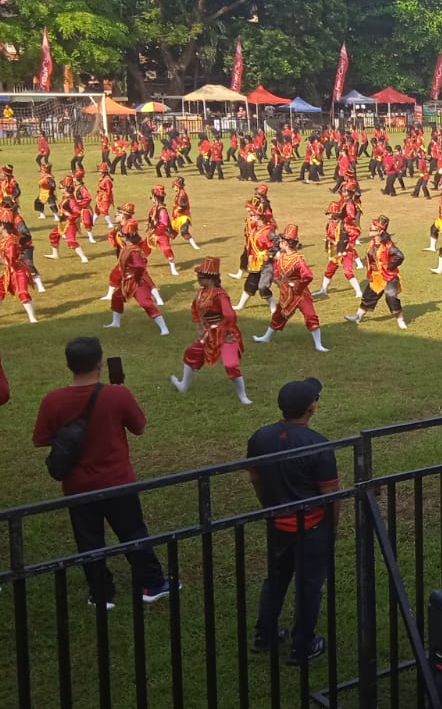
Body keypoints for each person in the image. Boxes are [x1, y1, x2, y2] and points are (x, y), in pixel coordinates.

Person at [32, 337, 173, 608]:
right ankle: (152, 584)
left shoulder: (53, 400)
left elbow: (41, 439)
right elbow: (140, 427)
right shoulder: (117, 394)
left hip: (77, 486)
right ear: (100, 363)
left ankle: (100, 594)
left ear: (68, 365)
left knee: (89, 539)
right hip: (116, 481)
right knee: (133, 532)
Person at [247, 378, 338, 665]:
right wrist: (331, 528)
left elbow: (256, 478)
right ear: (311, 407)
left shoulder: (260, 437)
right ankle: (303, 645)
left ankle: (265, 634)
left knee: (275, 579)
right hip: (311, 527)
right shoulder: (318, 444)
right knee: (309, 585)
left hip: (277, 523)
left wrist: (270, 508)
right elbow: (330, 496)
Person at [172, 257, 251, 404]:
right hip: (209, 333)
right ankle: (183, 385)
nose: (198, 280)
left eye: (201, 277)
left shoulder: (219, 294)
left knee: (230, 364)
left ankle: (243, 396)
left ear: (211, 279)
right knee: (192, 352)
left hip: (226, 334)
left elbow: (230, 315)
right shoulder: (201, 293)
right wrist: (199, 324)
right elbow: (195, 308)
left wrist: (224, 333)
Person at [254, 224, 329, 351]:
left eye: (282, 241)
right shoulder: (281, 256)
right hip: (286, 292)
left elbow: (308, 276)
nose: (280, 243)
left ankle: (318, 344)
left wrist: (297, 285)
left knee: (310, 315)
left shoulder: (298, 259)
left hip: (300, 293)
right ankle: (266, 337)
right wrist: (279, 281)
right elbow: (277, 271)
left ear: (287, 243)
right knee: (279, 314)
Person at [106, 224, 171, 336]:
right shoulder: (127, 249)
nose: (120, 238)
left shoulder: (134, 251)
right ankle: (115, 323)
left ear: (127, 237)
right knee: (117, 297)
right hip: (127, 282)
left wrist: (135, 276)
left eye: (122, 236)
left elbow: (140, 266)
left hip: (138, 283)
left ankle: (164, 328)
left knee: (146, 303)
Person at [347, 215, 407, 329]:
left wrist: (389, 266)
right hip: (375, 276)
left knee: (391, 296)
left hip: (389, 276)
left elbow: (400, 256)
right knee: (368, 296)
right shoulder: (372, 243)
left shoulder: (388, 245)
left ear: (380, 231)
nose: (369, 231)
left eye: (372, 229)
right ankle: (358, 317)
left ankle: (400, 320)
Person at [0, 207, 39, 323]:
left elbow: (10, 260)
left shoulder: (11, 241)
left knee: (22, 292)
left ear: (3, 227)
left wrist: (2, 260)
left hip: (18, 270)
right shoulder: (4, 240)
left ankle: (32, 318)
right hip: (9, 271)